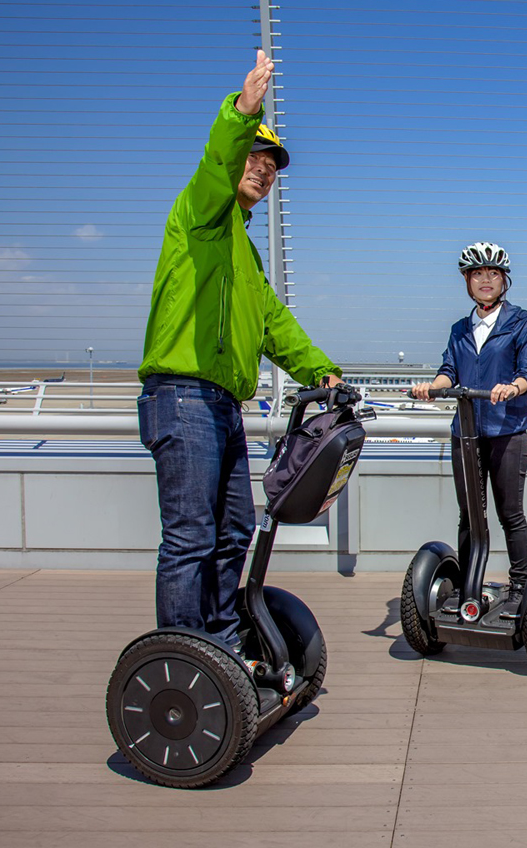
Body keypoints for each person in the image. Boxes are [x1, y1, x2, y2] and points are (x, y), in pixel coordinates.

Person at [137, 50, 343, 650]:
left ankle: (222, 647)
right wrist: (242, 111)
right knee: (191, 538)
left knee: (234, 534)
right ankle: (180, 658)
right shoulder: (200, 216)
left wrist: (322, 371)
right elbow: (214, 164)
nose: (263, 168)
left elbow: (275, 325)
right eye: (255, 155)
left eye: (272, 163)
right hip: (181, 397)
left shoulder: (246, 257)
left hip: (224, 406)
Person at [410, 242, 527, 601]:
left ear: (504, 280)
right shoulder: (459, 328)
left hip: (507, 431)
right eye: (478, 274)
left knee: (509, 512)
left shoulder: (521, 322)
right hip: (466, 433)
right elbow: (449, 371)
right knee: (469, 514)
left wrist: (512, 388)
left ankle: (519, 587)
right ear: (467, 281)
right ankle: (470, 585)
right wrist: (432, 388)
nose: (486, 280)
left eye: (493, 273)